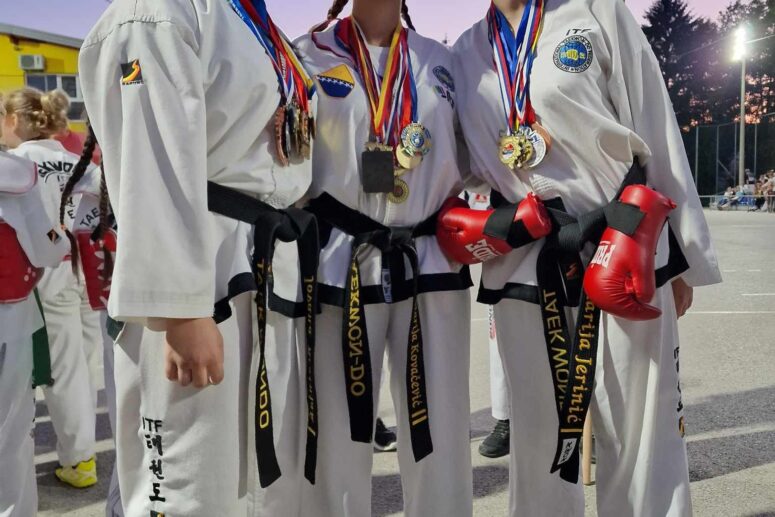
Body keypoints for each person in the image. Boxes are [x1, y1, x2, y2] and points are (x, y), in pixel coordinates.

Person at [448, 0, 721, 516]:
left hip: (622, 241)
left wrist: (684, 254)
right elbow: (456, 164)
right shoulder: (465, 54)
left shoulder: (595, 12)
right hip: (527, 257)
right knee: (537, 439)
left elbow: (655, 123)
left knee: (641, 432)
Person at [79, 0, 318, 515]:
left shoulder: (248, 19)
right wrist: (180, 310)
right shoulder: (157, 12)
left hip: (257, 258)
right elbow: (150, 160)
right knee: (187, 482)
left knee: (253, 480)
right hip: (200, 274)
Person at [291, 1, 475, 515]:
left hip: (429, 261)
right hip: (340, 262)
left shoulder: (442, 62)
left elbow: (473, 155)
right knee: (337, 433)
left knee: (439, 428)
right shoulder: (308, 55)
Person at [2, 87, 103, 488]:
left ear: (14, 120)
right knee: (82, 366)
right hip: (87, 272)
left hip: (46, 275)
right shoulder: (77, 160)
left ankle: (80, 459)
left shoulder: (18, 163)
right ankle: (81, 452)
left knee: (61, 372)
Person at [0, 94, 70, 517]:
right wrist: (60, 237)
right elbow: (49, 247)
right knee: (10, 427)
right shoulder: (15, 174)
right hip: (10, 316)